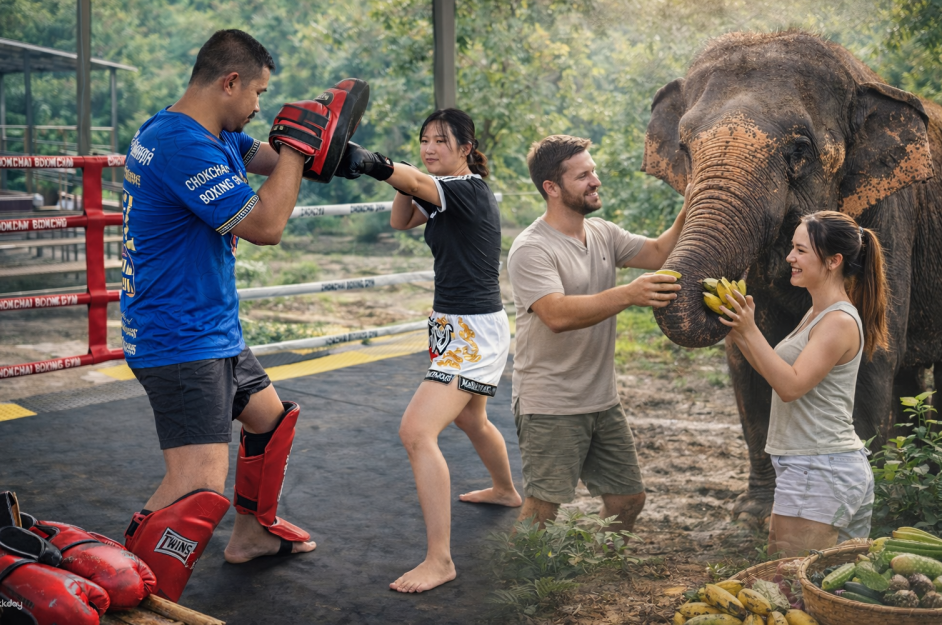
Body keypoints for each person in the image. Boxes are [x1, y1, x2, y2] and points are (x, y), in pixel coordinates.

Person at [119, 29, 367, 602]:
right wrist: (304, 151)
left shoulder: (206, 132)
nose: (259, 105)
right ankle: (131, 595)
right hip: (180, 339)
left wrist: (337, 153)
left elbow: (277, 158)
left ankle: (252, 535)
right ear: (229, 82)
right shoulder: (186, 147)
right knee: (197, 486)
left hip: (208, 327)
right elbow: (266, 226)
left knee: (268, 420)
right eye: (256, 92)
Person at [335, 108, 521, 593]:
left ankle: (440, 560)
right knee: (471, 419)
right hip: (451, 326)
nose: (429, 147)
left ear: (466, 148)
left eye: (441, 140)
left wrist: (369, 161)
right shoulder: (438, 192)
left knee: (417, 431)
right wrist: (406, 178)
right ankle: (504, 490)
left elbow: (418, 185)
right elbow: (401, 219)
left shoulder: (468, 190)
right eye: (424, 140)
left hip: (473, 332)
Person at [507, 134, 685, 537]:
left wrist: (695, 201)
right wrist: (629, 293)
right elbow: (555, 314)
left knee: (628, 499)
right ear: (551, 188)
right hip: (551, 402)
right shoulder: (531, 248)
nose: (596, 180)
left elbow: (658, 253)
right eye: (583, 175)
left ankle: (593, 567)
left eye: (594, 170)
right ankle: (516, 585)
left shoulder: (602, 233)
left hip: (601, 400)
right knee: (541, 510)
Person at [719, 211, 887, 555]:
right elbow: (777, 371)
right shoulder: (816, 313)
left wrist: (751, 331)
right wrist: (740, 333)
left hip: (822, 468)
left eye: (800, 250)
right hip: (812, 466)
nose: (790, 258)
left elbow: (791, 386)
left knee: (795, 587)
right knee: (796, 580)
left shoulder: (837, 321)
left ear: (832, 261)